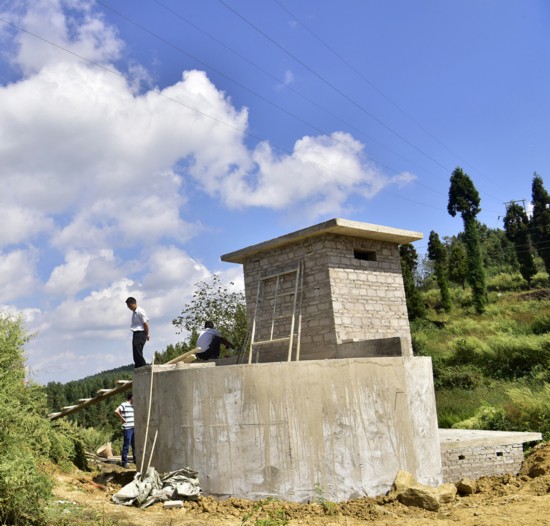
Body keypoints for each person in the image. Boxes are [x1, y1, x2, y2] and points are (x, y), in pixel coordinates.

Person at [125, 297, 149, 368]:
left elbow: (145, 324)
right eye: (128, 306)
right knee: (135, 353)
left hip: (140, 333)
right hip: (136, 334)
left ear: (133, 303)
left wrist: (147, 334)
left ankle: (144, 367)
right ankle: (138, 367)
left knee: (138, 352)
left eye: (130, 306)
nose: (129, 308)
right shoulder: (134, 312)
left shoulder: (140, 311)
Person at [114, 392, 136, 468]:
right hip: (127, 428)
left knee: (135, 445)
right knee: (126, 445)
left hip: (134, 427)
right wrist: (122, 419)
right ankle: (124, 462)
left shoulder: (133, 406)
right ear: (132, 397)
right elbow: (116, 411)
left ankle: (136, 461)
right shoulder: (124, 404)